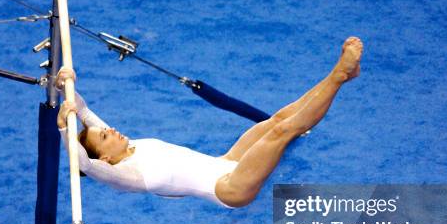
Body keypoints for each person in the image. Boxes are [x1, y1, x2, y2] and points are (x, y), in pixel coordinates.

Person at [57, 37, 363, 208]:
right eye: (105, 137)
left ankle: (341, 76)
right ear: (106, 158)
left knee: (277, 120)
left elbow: (84, 112)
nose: (110, 129)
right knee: (284, 132)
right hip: (230, 187)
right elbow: (83, 161)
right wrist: (61, 128)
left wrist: (66, 86)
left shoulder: (131, 146)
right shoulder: (124, 175)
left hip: (228, 162)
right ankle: (339, 75)